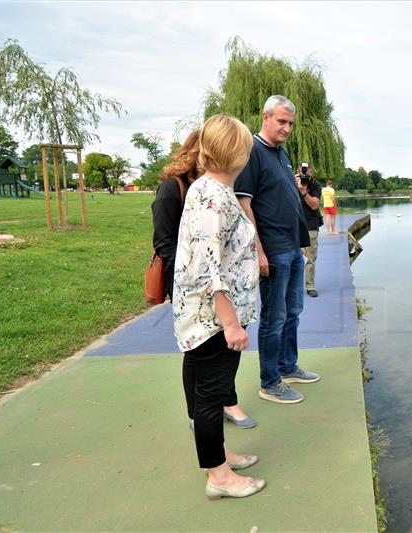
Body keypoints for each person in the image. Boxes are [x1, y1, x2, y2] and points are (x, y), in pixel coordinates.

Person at [173, 114, 264, 500]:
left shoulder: (207, 189)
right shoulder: (213, 197)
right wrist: (231, 324)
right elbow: (210, 269)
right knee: (212, 393)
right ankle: (219, 477)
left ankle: (219, 455)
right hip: (213, 321)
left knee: (201, 388)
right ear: (239, 154)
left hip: (201, 318)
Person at [152, 131, 256, 430]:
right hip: (197, 289)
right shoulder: (178, 190)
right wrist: (190, 282)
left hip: (216, 290)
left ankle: (224, 406)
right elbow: (168, 243)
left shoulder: (213, 189)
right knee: (201, 362)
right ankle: (201, 420)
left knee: (218, 365)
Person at [234, 95, 320, 405]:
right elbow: (245, 204)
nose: (286, 128)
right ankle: (270, 382)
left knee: (293, 312)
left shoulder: (282, 155)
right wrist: (258, 251)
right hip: (272, 249)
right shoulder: (252, 152)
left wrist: (300, 245)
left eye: (290, 124)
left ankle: (288, 366)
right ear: (265, 117)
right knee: (274, 316)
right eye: (281, 121)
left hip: (292, 248)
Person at [295, 162, 323, 297]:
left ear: (311, 171)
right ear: (298, 172)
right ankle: (291, 286)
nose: (305, 174)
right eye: (302, 172)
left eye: (307, 171)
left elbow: (314, 205)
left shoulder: (316, 185)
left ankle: (310, 286)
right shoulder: (292, 182)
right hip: (293, 224)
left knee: (310, 257)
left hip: (310, 224)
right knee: (290, 257)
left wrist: (304, 192)